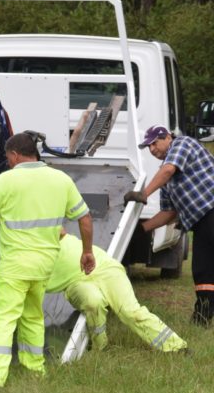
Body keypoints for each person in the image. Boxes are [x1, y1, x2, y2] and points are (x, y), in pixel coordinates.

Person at [0, 132, 95, 387]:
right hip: (44, 265)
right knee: (32, 316)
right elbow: (85, 218)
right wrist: (87, 252)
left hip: (15, 265)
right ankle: (35, 369)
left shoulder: (6, 181)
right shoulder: (60, 179)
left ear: (15, 154)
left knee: (3, 319)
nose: (7, 162)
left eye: (8, 157)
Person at [124, 125, 214, 327]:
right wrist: (142, 230)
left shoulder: (182, 144)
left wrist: (143, 194)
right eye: (148, 147)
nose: (152, 149)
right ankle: (202, 318)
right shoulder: (164, 176)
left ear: (166, 137)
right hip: (200, 223)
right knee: (202, 271)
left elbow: (169, 169)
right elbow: (169, 213)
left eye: (154, 143)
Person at [47, 230, 187, 352]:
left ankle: (176, 347)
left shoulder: (47, 232)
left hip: (104, 267)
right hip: (75, 282)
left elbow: (60, 230)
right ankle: (100, 346)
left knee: (131, 312)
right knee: (93, 303)